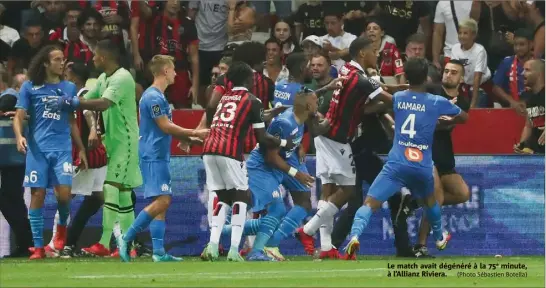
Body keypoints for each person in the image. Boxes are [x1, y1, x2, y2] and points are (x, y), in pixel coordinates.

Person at [343, 58, 468, 259]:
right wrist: (446, 121)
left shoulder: (399, 97)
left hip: (397, 163)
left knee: (369, 204)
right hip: (422, 165)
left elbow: (378, 93)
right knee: (431, 202)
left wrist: (361, 80)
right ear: (426, 78)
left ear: (406, 76)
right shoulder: (437, 101)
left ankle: (355, 236)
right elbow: (464, 117)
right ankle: (438, 237)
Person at [295, 37, 391, 256]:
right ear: (364, 54)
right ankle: (308, 230)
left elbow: (372, 89)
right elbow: (389, 100)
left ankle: (327, 247)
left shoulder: (346, 70)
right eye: (374, 52)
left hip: (325, 136)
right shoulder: (361, 79)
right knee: (348, 191)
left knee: (327, 190)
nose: (377, 56)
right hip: (337, 138)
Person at [46, 39, 142, 257]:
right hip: (112, 143)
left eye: (96, 55)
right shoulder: (103, 78)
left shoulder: (122, 77)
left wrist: (74, 104)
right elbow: (86, 98)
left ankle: (105, 242)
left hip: (125, 142)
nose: (93, 58)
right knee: (124, 194)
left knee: (110, 189)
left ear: (105, 57)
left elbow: (102, 103)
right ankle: (128, 245)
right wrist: (62, 101)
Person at [118, 55, 209, 262]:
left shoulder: (159, 97)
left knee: (160, 203)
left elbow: (167, 130)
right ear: (165, 71)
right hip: (152, 155)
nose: (176, 74)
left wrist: (189, 139)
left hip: (159, 154)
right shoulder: (153, 97)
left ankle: (159, 252)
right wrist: (194, 134)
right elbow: (165, 126)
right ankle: (127, 237)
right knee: (163, 200)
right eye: (174, 69)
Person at [200, 62, 293, 262]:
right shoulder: (253, 100)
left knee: (223, 197)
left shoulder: (224, 98)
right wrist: (284, 142)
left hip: (209, 149)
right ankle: (234, 250)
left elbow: (217, 111)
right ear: (248, 79)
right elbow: (263, 138)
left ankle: (213, 245)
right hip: (229, 151)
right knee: (241, 197)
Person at [12, 45, 88, 260]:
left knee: (63, 196)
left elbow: (72, 120)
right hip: (38, 150)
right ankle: (37, 247)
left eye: (62, 59)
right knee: (37, 194)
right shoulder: (30, 87)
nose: (61, 63)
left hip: (62, 149)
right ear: (45, 63)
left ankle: (61, 232)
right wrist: (20, 136)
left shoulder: (69, 88)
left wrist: (80, 148)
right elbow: (18, 116)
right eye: (56, 59)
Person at [42, 62, 108, 258]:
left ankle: (55, 244)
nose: (64, 78)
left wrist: (93, 132)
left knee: (65, 197)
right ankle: (124, 240)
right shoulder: (88, 93)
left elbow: (87, 115)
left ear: (74, 78)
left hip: (86, 155)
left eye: (67, 74)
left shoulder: (82, 95)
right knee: (104, 199)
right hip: (98, 156)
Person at [245, 92, 317, 261]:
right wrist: (296, 173)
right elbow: (270, 157)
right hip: (263, 167)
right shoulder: (284, 123)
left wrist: (298, 147)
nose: (318, 105)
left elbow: (291, 139)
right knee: (277, 210)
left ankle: (271, 244)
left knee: (305, 201)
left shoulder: (299, 114)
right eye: (315, 102)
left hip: (284, 161)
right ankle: (257, 249)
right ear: (308, 107)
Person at [412, 59, 471, 257]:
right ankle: (420, 245)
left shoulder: (463, 100)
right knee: (436, 198)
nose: (448, 75)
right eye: (446, 71)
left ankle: (415, 202)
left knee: (463, 194)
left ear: (461, 78)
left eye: (454, 72)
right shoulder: (431, 90)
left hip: (444, 151)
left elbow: (453, 123)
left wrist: (443, 120)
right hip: (425, 149)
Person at [493, 28, 534, 113]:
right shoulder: (506, 62)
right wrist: (512, 101)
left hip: (535, 108)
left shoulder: (539, 63)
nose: (518, 48)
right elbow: (496, 88)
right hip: (512, 108)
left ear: (531, 45)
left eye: (522, 45)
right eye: (515, 45)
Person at [514, 59, 545, 155]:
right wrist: (522, 145)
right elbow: (528, 125)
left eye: (527, 70)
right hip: (537, 153)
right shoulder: (528, 96)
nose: (522, 73)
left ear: (539, 73)